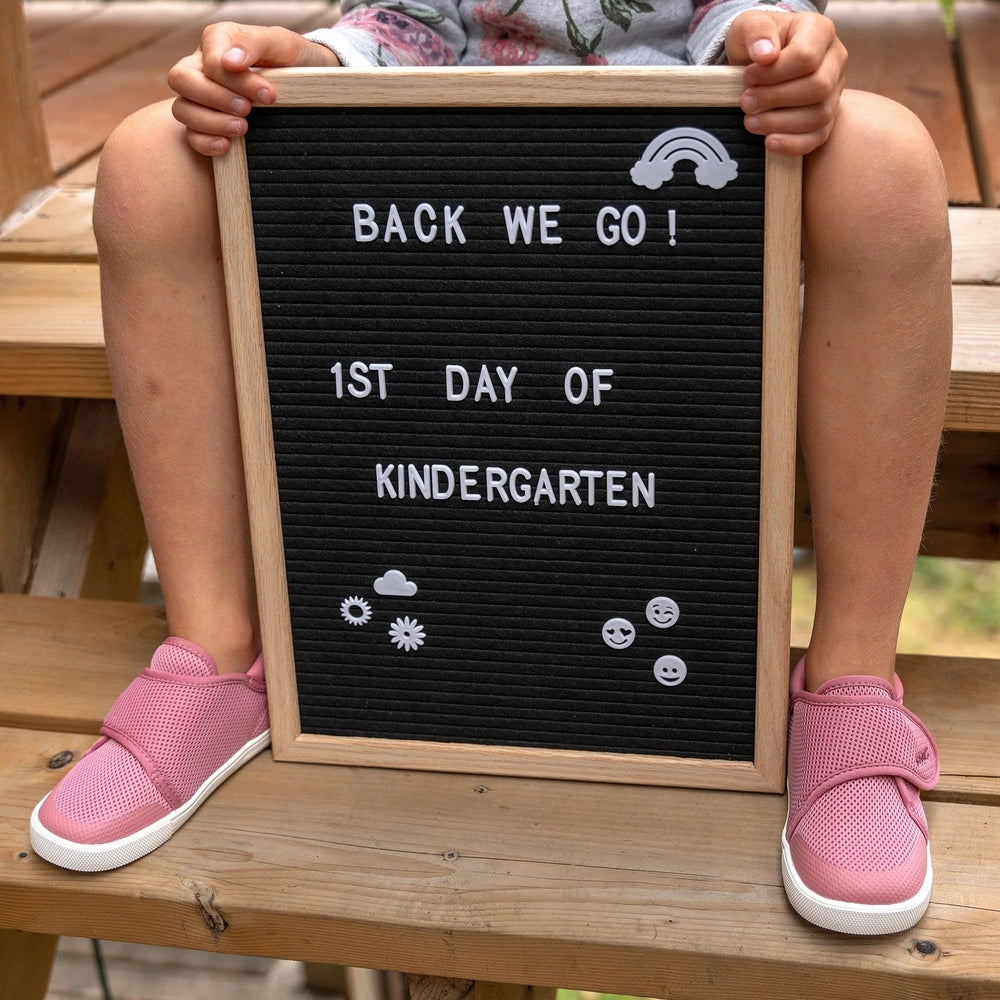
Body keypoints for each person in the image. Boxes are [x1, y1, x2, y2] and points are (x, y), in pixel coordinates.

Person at [29, 0, 951, 936]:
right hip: (438, 174)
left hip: (705, 165)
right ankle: (217, 650)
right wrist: (307, 62)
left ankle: (850, 682)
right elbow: (409, 19)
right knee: (150, 160)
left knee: (883, 159)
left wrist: (776, 49)